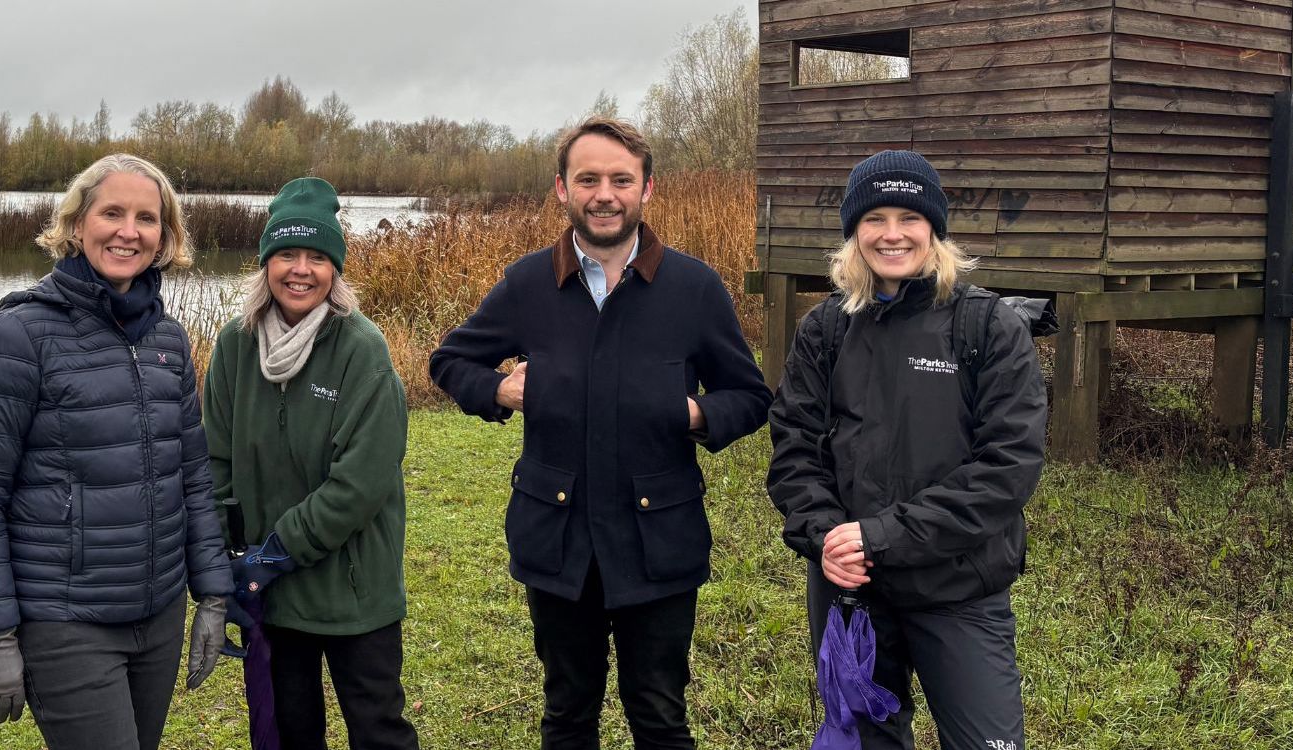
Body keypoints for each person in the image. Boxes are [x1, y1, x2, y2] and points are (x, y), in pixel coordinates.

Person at [428, 117, 771, 749]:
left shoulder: (694, 289)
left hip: (658, 542)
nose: (604, 194)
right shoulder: (529, 284)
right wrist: (500, 390)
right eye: (588, 179)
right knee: (567, 713)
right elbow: (449, 362)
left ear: (648, 189)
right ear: (562, 189)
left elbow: (750, 396)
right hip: (559, 543)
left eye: (620, 179)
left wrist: (693, 413)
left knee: (661, 716)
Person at [0, 153, 235, 750]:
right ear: (77, 225)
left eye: (147, 218)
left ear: (165, 237)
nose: (129, 231)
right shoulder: (18, 336)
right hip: (67, 621)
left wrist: (211, 592)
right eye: (112, 213)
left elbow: (192, 479)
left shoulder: (168, 340)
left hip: (157, 616)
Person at [766, 150, 1046, 750]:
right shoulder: (826, 328)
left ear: (934, 229)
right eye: (875, 218)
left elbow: (1007, 468)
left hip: (958, 590)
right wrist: (824, 537)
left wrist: (883, 535)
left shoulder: (989, 328)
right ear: (853, 232)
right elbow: (794, 448)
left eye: (908, 217)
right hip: (851, 592)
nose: (892, 234)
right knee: (864, 739)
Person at [205, 177, 419, 750]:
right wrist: (229, 560)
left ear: (335, 270)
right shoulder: (234, 346)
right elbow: (216, 462)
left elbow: (360, 483)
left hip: (354, 591)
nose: (301, 270)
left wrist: (277, 550)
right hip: (271, 594)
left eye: (318, 257)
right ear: (265, 264)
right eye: (287, 255)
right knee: (291, 732)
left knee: (379, 731)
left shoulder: (361, 349)